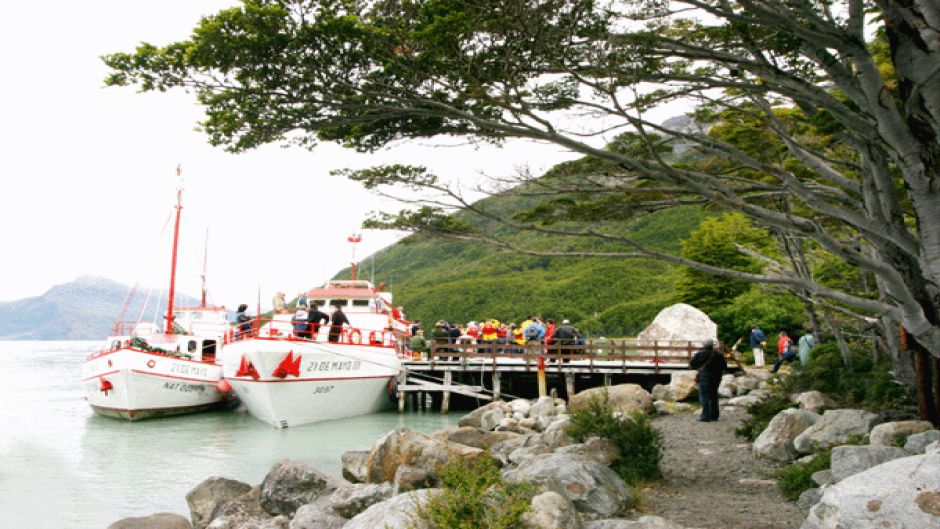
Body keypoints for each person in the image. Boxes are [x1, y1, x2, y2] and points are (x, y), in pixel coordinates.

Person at [689, 339, 727, 422]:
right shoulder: (718, 354)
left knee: (704, 396)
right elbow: (724, 366)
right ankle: (714, 415)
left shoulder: (700, 353)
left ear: (704, 345)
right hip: (717, 377)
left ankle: (705, 416)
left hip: (705, 376)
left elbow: (692, 364)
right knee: (714, 395)